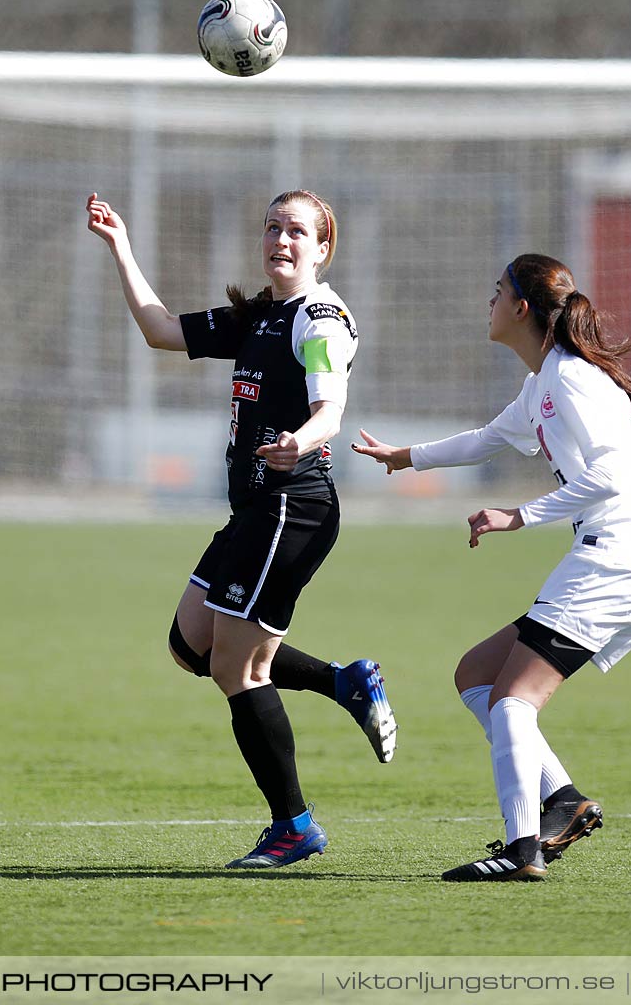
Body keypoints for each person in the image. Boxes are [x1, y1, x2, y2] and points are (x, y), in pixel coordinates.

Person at [84, 189, 397, 870]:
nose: (280, 240)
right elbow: (161, 329)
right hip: (256, 510)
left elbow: (331, 410)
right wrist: (121, 247)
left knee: (235, 666)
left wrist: (302, 439)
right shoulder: (262, 315)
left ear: (322, 249)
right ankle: (345, 683)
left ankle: (294, 826)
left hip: (294, 505)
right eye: (272, 227)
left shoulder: (318, 319)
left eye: (296, 232)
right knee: (191, 644)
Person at [353, 254, 631, 882]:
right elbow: (488, 438)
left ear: (522, 308)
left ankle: (522, 850)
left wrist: (519, 516)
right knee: (477, 675)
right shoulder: (544, 382)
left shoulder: (572, 379)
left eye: (496, 291)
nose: (489, 301)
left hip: (619, 559)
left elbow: (617, 474)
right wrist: (404, 457)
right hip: (614, 559)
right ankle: (563, 802)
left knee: (512, 700)